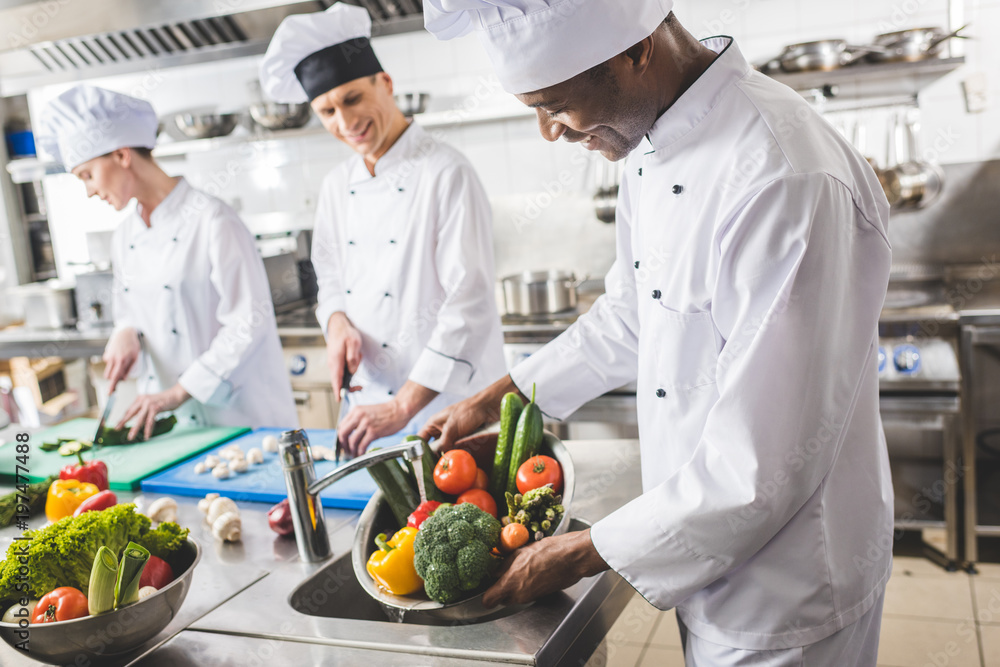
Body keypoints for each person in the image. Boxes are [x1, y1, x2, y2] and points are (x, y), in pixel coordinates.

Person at [421, 1, 893, 664]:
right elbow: (631, 316)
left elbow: (760, 469)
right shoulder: (650, 147)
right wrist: (497, 397)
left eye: (555, 104)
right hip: (705, 560)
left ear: (636, 51)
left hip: (790, 591)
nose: (548, 132)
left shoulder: (782, 175)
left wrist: (580, 552)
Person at [259, 4, 505, 456]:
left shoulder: (446, 172)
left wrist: (403, 406)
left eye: (352, 99)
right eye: (327, 110)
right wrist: (336, 324)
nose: (345, 122)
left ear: (385, 83)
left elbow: (467, 305)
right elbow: (328, 276)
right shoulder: (336, 186)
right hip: (369, 406)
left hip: (446, 407)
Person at [39, 85, 298, 439]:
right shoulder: (125, 235)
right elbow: (131, 308)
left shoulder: (213, 220)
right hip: (173, 426)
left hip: (239, 419)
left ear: (121, 155)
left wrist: (179, 391)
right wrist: (125, 331)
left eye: (87, 175)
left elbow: (247, 323)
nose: (89, 191)